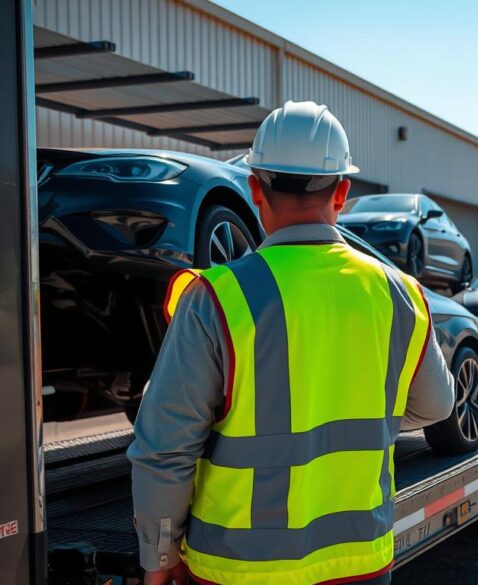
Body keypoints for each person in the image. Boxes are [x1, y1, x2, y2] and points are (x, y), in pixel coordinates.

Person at [128, 101, 456, 585]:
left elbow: (164, 450)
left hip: (236, 570)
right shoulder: (399, 294)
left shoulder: (218, 297)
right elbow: (437, 406)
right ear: (342, 192)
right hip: (358, 566)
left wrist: (158, 560)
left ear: (255, 188)